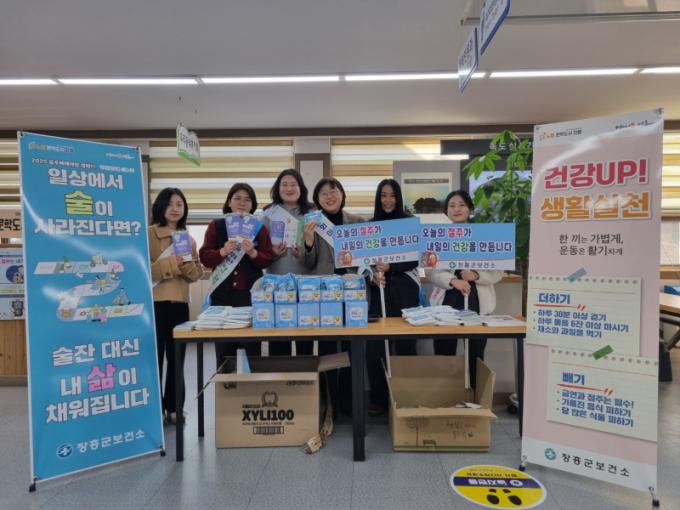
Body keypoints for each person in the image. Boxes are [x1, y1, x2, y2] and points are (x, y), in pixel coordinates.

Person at [426, 189, 503, 387]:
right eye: (452, 206)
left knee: (475, 352)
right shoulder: (437, 237)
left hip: (477, 299)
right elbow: (431, 272)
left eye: (461, 205)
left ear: (470, 208)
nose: (457, 209)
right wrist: (453, 280)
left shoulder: (486, 236)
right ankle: (446, 394)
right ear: (446, 211)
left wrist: (476, 275)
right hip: (448, 298)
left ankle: (475, 395)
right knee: (444, 350)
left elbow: (498, 272)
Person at [301, 177, 363, 414]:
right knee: (327, 349)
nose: (329, 196)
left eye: (333, 191)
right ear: (317, 199)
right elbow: (307, 264)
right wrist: (308, 242)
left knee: (352, 348)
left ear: (342, 195)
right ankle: (328, 401)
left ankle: (348, 402)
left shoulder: (357, 222)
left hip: (352, 295)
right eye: (323, 193)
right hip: (325, 296)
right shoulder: (312, 223)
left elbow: (367, 259)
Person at [199, 183, 273, 367]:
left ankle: (251, 384)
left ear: (252, 204)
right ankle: (226, 383)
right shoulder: (216, 226)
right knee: (224, 352)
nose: (242, 203)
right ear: (229, 202)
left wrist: (253, 253)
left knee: (252, 351)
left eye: (247, 199)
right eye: (237, 198)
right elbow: (205, 257)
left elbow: (268, 259)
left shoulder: (259, 228)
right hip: (222, 296)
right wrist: (222, 251)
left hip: (250, 296)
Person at [365, 179, 421, 416]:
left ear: (399, 198)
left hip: (405, 291)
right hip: (378, 291)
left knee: (406, 345)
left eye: (392, 195)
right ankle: (379, 398)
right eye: (383, 195)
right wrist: (372, 273)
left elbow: (415, 259)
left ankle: (406, 397)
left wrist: (391, 266)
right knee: (374, 347)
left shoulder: (409, 223)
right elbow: (361, 261)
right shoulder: (370, 226)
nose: (388, 200)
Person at [149, 187, 203, 424]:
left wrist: (187, 265)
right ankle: (154, 409)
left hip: (180, 304)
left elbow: (195, 275)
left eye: (179, 204)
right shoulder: (149, 234)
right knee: (154, 359)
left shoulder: (188, 239)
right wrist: (172, 262)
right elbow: (142, 268)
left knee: (177, 359)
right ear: (160, 207)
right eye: (170, 204)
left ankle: (174, 407)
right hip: (155, 303)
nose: (174, 209)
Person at [262, 168, 314, 355]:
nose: (289, 188)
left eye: (293, 184)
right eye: (284, 185)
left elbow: (319, 249)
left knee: (305, 338)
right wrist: (273, 253)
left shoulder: (312, 213)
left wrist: (305, 252)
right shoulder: (268, 213)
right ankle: (281, 375)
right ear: (277, 189)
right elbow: (261, 251)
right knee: (279, 339)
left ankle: (305, 374)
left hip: (305, 284)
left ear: (301, 188)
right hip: (277, 283)